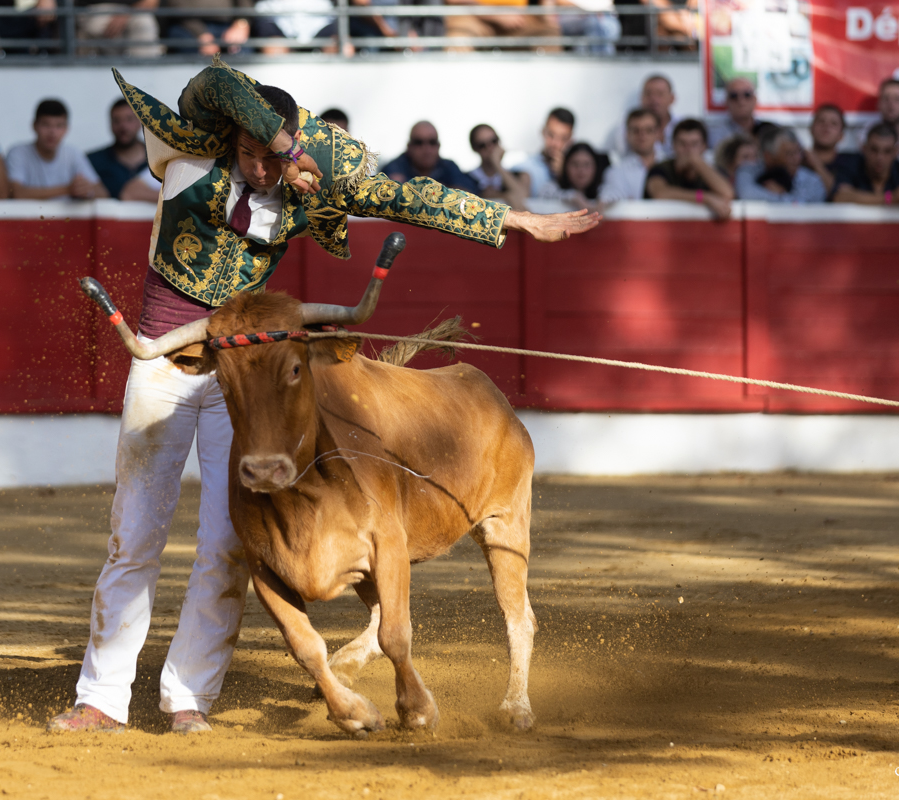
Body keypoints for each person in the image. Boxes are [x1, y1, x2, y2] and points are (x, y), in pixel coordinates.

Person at [45, 57, 599, 735]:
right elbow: (213, 83)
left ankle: (188, 697)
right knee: (134, 533)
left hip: (240, 380)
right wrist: (286, 148)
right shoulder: (197, 154)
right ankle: (101, 696)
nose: (256, 169)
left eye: (267, 160)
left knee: (230, 543)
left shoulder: (309, 189)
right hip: (161, 364)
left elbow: (406, 197)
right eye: (248, 153)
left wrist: (508, 218)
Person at [6, 99, 108, 200]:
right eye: (46, 124)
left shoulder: (73, 153)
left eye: (59, 125)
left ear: (66, 129)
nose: (52, 132)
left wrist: (87, 190)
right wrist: (68, 189)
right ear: (34, 126)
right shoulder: (18, 153)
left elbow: (103, 193)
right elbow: (15, 193)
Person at [644, 118, 734, 218]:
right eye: (682, 143)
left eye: (694, 144)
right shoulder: (660, 168)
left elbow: (727, 193)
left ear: (704, 146)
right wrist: (704, 198)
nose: (688, 150)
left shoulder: (711, 170)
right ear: (673, 145)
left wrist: (697, 162)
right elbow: (660, 193)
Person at [831, 123, 899, 206]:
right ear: (864, 149)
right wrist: (889, 198)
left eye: (887, 151)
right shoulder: (851, 165)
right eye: (874, 150)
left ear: (896, 152)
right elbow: (840, 197)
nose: (880, 157)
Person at [735, 126, 826, 204]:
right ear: (768, 157)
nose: (797, 159)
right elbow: (746, 193)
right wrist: (783, 199)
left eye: (798, 152)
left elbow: (804, 209)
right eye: (789, 154)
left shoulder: (812, 181)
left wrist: (781, 195)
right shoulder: (748, 170)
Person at [380, 121, 478, 191]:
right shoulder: (395, 167)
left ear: (438, 146)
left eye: (432, 142)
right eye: (419, 142)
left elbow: (469, 192)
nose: (426, 149)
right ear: (409, 147)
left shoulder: (449, 166)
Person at [441, 0, 561, 52]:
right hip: (472, 15)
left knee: (549, 34)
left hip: (519, 19)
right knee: (458, 40)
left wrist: (548, 18)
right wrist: (496, 14)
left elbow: (548, 15)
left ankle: (547, 95)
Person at [87, 99, 148, 200]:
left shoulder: (161, 159)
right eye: (117, 121)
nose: (123, 126)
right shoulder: (93, 161)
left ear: (139, 122)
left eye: (129, 119)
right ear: (110, 124)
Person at [607, 74, 676, 160]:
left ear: (672, 98)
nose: (654, 99)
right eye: (648, 94)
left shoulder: (683, 126)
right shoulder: (622, 129)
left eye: (660, 94)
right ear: (641, 98)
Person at [597, 108, 659, 203]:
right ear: (627, 134)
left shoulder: (674, 165)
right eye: (636, 130)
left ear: (657, 133)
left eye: (648, 130)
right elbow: (608, 196)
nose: (642, 135)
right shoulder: (616, 171)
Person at [512, 107, 575, 198]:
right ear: (542, 131)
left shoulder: (580, 171)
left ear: (571, 139)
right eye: (551, 135)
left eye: (563, 138)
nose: (555, 143)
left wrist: (564, 175)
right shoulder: (525, 167)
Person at [467, 124, 530, 209]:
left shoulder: (520, 175)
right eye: (482, 145)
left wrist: (497, 164)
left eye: (494, 141)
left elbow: (523, 197)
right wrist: (505, 196)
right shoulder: (466, 178)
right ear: (474, 148)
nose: (490, 148)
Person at [75, 0, 165, 57]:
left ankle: (145, 78)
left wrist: (126, 14)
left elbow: (152, 2)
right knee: (100, 27)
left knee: (145, 22)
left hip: (134, 10)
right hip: (95, 9)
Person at [163, 0, 253, 55]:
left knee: (242, 51)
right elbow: (176, 5)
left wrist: (241, 22)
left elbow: (244, 4)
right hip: (187, 26)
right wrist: (201, 33)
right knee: (191, 56)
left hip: (227, 25)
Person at [802, 103, 844, 195]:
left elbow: (839, 194)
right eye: (821, 121)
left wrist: (817, 165)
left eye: (833, 123)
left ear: (841, 135)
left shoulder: (851, 164)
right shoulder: (797, 160)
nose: (826, 127)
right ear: (810, 128)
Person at [707, 77, 761, 149]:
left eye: (747, 94)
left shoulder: (768, 130)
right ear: (726, 101)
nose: (741, 101)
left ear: (755, 99)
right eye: (734, 96)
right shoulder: (712, 134)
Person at [554, 142, 608, 209]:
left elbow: (615, 193)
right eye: (575, 164)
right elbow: (545, 192)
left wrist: (603, 201)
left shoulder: (603, 189)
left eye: (586, 164)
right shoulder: (553, 187)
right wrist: (575, 196)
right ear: (565, 166)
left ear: (596, 167)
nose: (581, 170)